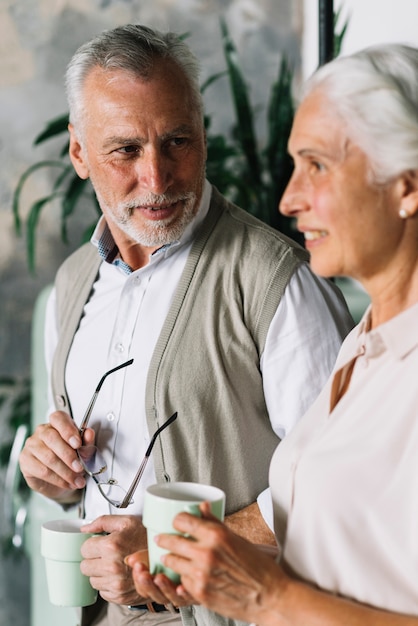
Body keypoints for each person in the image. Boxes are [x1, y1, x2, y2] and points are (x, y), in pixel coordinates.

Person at [19, 24, 353, 626]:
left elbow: (340, 486)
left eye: (177, 141)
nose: (158, 177)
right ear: (78, 152)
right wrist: (55, 471)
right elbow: (93, 480)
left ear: (203, 133)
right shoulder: (72, 285)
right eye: (126, 150)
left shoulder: (278, 281)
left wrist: (171, 551)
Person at [126, 43, 418, 625]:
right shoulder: (368, 341)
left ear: (406, 187)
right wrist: (224, 572)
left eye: (316, 165)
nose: (288, 199)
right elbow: (354, 561)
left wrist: (267, 597)